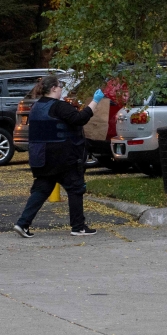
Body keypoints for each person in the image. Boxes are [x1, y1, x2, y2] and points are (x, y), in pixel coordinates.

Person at [13, 75, 104, 238]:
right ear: (53, 88)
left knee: (42, 189)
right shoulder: (59, 106)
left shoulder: (35, 107)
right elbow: (80, 119)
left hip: (40, 156)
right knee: (75, 188)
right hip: (63, 157)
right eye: (60, 86)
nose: (62, 89)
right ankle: (78, 227)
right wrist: (95, 101)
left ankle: (22, 223)